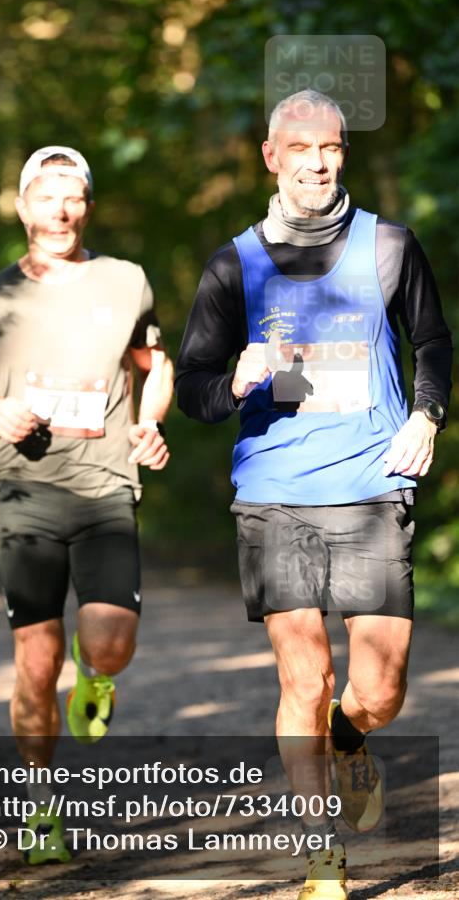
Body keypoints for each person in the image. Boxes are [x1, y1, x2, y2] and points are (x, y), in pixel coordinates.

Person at [175, 90, 452, 900]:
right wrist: (232, 378)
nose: (317, 162)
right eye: (300, 148)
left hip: (370, 485)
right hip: (275, 491)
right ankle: (319, 854)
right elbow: (194, 389)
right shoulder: (233, 264)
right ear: (271, 157)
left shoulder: (389, 247)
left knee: (378, 691)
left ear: (342, 154)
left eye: (329, 147)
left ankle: (346, 736)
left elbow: (432, 338)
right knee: (304, 678)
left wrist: (428, 415)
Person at [0, 146, 173, 864]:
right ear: (22, 207)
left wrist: (150, 421)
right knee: (34, 660)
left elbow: (154, 365)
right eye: (47, 196)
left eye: (73, 196)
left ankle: (96, 679)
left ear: (88, 206)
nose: (60, 210)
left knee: (109, 643)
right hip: (25, 490)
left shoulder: (125, 281)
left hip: (106, 487)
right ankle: (41, 805)